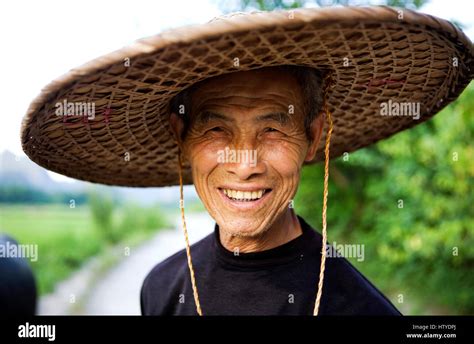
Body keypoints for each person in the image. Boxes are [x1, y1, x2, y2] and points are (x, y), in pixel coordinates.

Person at [20, 6, 473, 315]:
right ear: (182, 139)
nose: (244, 163)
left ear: (312, 138)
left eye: (273, 130)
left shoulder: (357, 307)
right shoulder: (162, 287)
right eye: (216, 129)